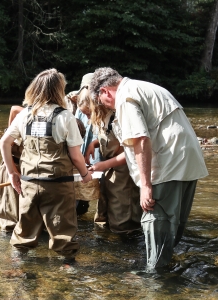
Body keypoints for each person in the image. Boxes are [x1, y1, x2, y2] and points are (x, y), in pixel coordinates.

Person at [89, 67, 208, 271]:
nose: (106, 106)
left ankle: (154, 278)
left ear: (104, 92)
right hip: (189, 161)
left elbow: (141, 139)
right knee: (174, 224)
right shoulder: (145, 87)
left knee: (155, 218)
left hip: (169, 164)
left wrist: (145, 186)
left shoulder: (125, 98)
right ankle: (166, 267)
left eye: (102, 101)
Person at [0, 68, 92, 263]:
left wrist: (12, 173)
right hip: (58, 184)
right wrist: (85, 174)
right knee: (62, 229)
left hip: (29, 182)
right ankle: (68, 267)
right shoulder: (66, 117)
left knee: (25, 228)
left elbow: (4, 142)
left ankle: (18, 266)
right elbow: (76, 156)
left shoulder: (25, 115)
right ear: (59, 90)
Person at [81, 85, 142, 235]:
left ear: (97, 106)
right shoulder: (104, 117)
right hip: (108, 175)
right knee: (104, 217)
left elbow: (133, 152)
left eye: (89, 114)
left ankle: (127, 251)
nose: (88, 118)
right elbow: (108, 139)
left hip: (124, 177)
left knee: (123, 222)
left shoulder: (120, 118)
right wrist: (93, 144)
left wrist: (104, 165)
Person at [67, 73, 102, 216]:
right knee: (78, 195)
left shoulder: (103, 107)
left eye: (89, 113)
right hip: (81, 155)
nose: (87, 116)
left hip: (99, 157)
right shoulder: (75, 103)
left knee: (101, 191)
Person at [0, 106, 25, 232]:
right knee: (10, 220)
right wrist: (14, 172)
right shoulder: (26, 115)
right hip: (12, 167)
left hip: (24, 170)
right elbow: (14, 109)